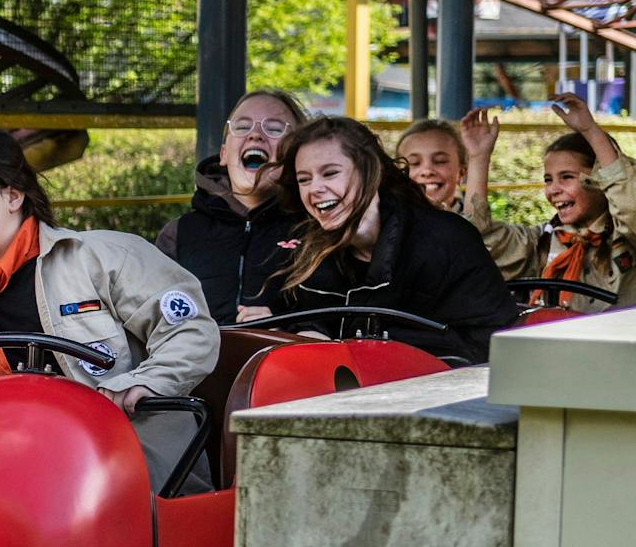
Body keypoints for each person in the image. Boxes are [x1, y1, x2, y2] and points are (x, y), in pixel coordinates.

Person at [0, 129, 219, 494]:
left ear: (12, 195)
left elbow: (190, 331)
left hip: (131, 471)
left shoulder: (104, 257)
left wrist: (143, 383)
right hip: (18, 475)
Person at [265, 116, 519, 361]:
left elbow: (488, 342)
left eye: (330, 173)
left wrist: (357, 348)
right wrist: (296, 331)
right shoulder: (312, 247)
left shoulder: (445, 238)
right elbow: (315, 319)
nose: (315, 189)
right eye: (304, 180)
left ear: (369, 171)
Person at [460, 93, 634, 312]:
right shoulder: (544, 240)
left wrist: (591, 132)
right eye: (548, 180)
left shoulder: (628, 236)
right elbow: (479, 238)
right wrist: (478, 158)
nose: (553, 189)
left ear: (600, 179)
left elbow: (629, 201)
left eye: (567, 177)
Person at [155, 89, 309, 324]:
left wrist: (286, 328)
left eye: (275, 129)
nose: (255, 135)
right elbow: (150, 320)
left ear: (297, 154)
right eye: (242, 126)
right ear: (224, 154)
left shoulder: (317, 232)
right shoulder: (178, 234)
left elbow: (337, 319)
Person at [396, 107, 498, 212]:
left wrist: (479, 158)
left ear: (462, 173)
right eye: (414, 163)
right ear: (398, 174)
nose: (427, 171)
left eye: (440, 161)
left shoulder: (467, 223)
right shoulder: (386, 221)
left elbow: (476, 225)